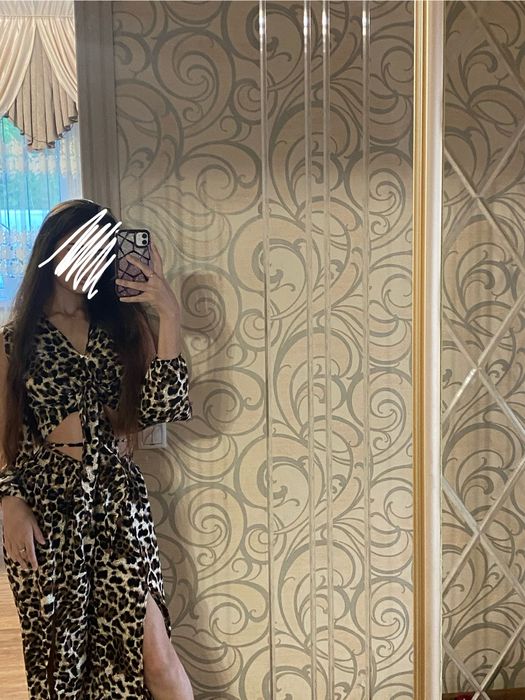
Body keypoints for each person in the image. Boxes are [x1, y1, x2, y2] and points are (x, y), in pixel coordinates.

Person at [0, 199, 195, 699]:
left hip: (116, 500)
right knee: (63, 666)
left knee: (156, 655)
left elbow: (162, 407)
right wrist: (9, 502)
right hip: (48, 506)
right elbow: (4, 434)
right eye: (75, 242)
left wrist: (167, 310)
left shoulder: (124, 325)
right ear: (51, 248)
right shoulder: (14, 340)